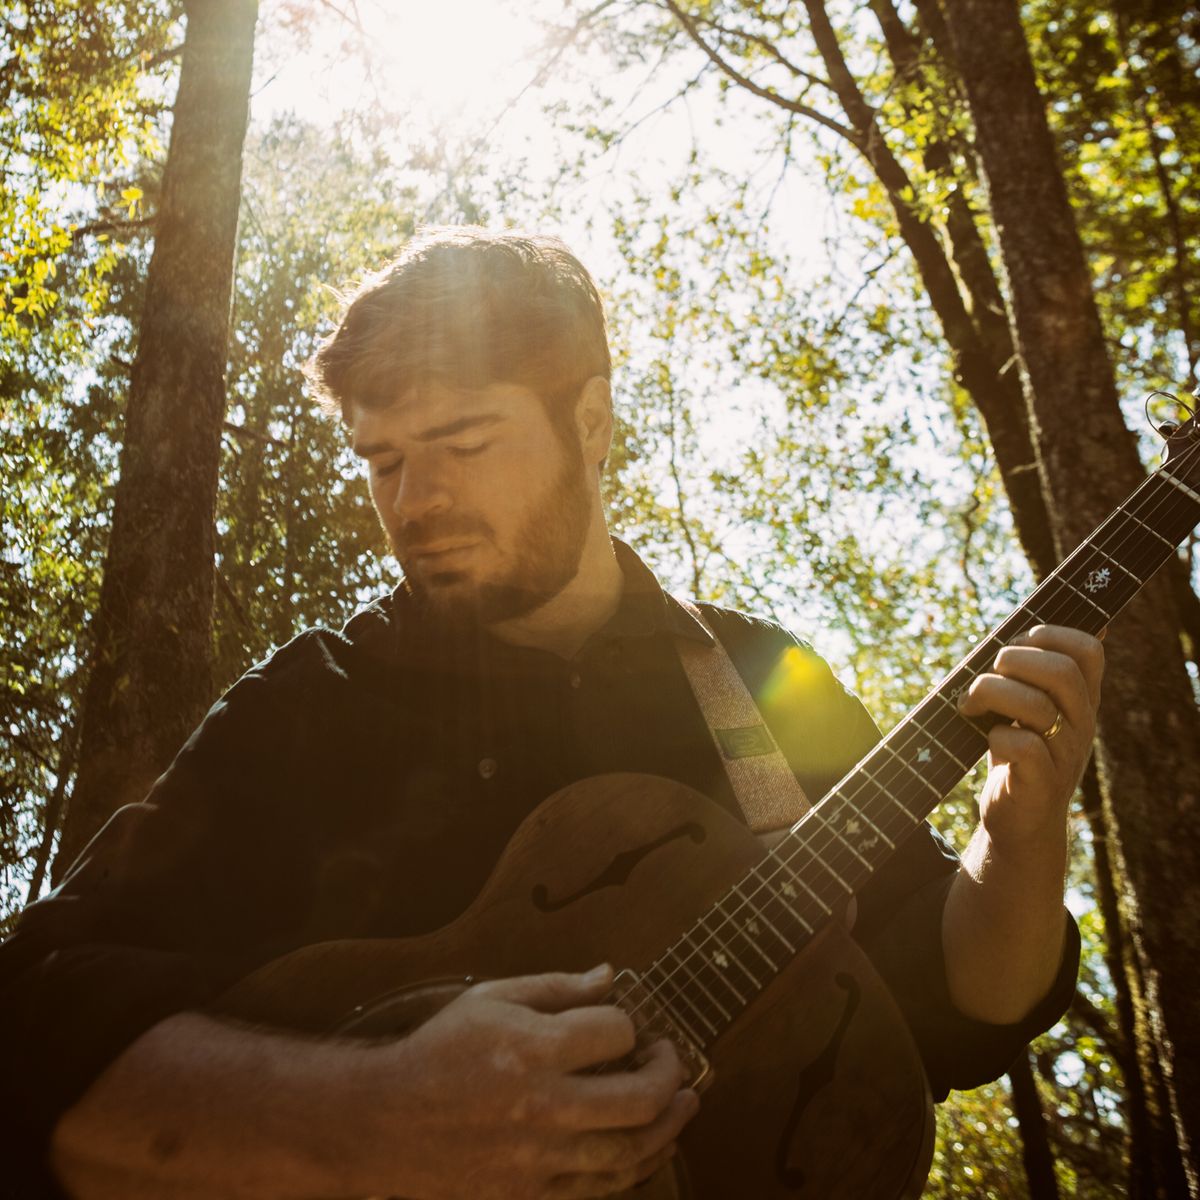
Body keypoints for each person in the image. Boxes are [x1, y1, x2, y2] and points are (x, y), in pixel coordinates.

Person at [0, 228, 1098, 1199]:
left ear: (592, 420)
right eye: (383, 461)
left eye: (465, 445)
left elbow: (957, 1002)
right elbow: (36, 1017)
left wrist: (1020, 828)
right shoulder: (309, 706)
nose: (415, 503)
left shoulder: (759, 677)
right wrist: (372, 1115)